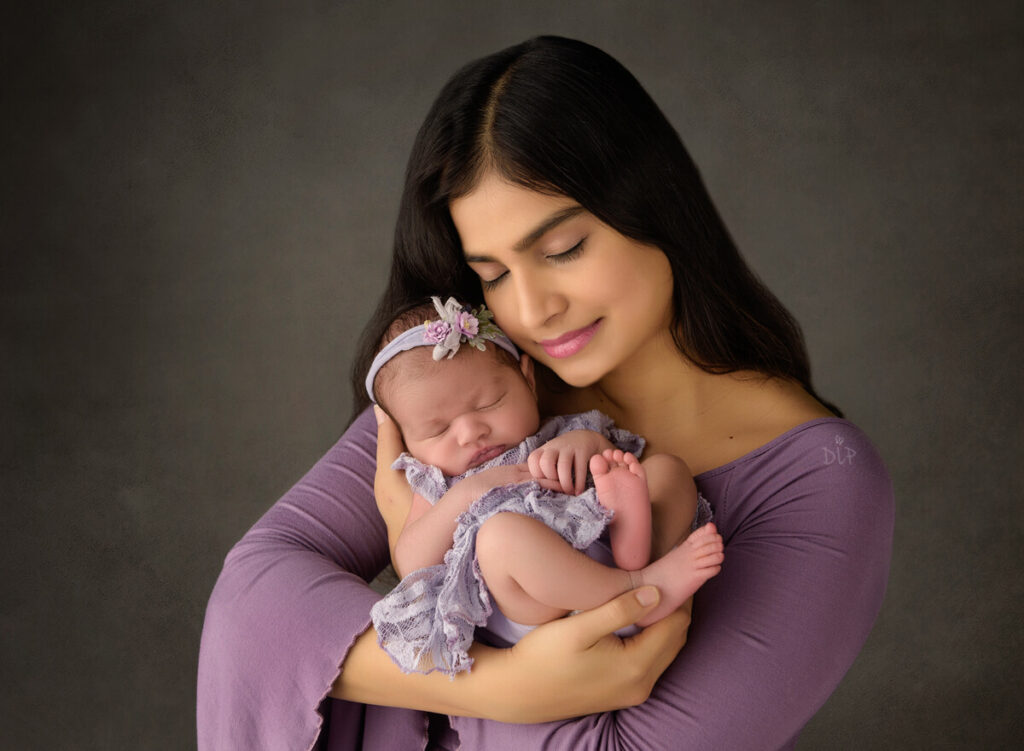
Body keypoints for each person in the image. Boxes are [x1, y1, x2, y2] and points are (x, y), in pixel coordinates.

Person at [197, 36, 894, 750]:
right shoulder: (486, 393)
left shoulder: (820, 481)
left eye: (562, 249)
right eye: (492, 274)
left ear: (656, 206)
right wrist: (502, 684)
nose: (531, 312)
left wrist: (424, 610)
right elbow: (252, 599)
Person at [365, 296, 721, 677]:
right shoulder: (438, 483)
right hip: (537, 611)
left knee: (667, 470)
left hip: (606, 550)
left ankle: (641, 551)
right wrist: (466, 494)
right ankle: (638, 584)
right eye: (438, 429)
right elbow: (412, 563)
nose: (471, 432)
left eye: (490, 402)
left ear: (528, 380)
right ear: (407, 440)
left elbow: (611, 455)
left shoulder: (556, 433)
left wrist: (589, 447)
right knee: (498, 537)